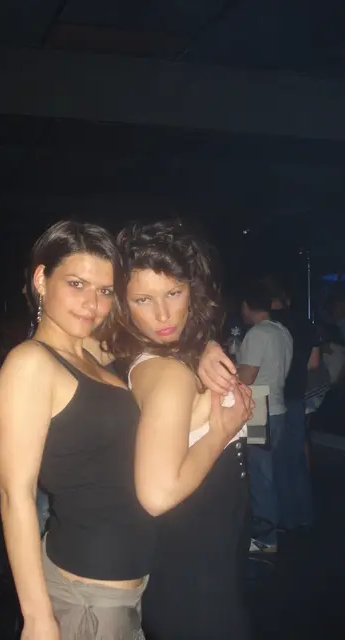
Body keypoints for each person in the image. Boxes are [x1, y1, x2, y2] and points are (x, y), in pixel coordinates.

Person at [0, 220, 247, 640]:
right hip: (88, 591)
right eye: (76, 284)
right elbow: (14, 496)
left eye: (105, 290)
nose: (91, 303)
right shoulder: (29, 363)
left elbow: (159, 340)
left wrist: (205, 347)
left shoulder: (89, 354)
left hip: (124, 587)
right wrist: (37, 618)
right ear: (41, 280)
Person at [104, 220, 253, 640]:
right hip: (193, 559)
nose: (163, 315)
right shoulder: (167, 374)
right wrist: (220, 433)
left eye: (173, 293)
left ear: (193, 290)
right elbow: (156, 495)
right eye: (143, 300)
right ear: (122, 304)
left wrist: (204, 346)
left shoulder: (166, 355)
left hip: (209, 548)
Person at [237, 281, 293, 552]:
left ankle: (265, 540)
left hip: (260, 407)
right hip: (278, 406)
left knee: (260, 477)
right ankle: (277, 525)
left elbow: (247, 377)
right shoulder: (282, 331)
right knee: (273, 472)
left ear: (247, 307)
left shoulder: (257, 334)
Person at [265, 278, 318, 530]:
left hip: (270, 397)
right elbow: (314, 363)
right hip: (296, 395)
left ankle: (281, 520)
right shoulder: (304, 323)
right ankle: (304, 515)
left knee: (273, 461)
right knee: (295, 458)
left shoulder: (265, 324)